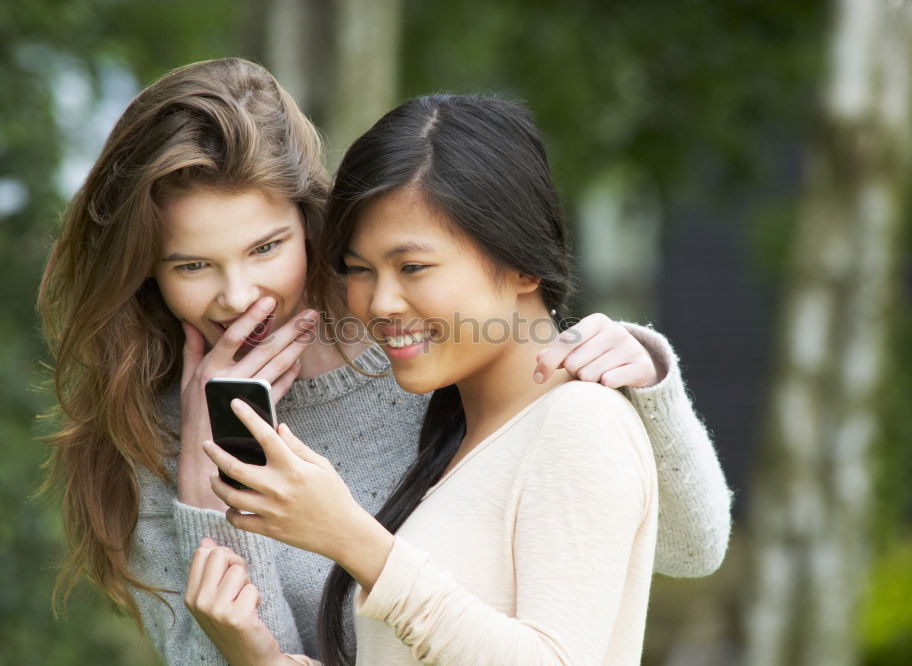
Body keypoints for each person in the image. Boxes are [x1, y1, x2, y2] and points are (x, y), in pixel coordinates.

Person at [37, 59, 731, 666]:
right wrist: (205, 499)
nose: (238, 296)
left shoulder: (421, 345)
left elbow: (679, 547)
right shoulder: (155, 431)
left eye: (267, 247)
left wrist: (644, 379)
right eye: (192, 265)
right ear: (146, 274)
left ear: (310, 223)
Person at [195, 94, 665, 665]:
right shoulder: (459, 441)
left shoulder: (579, 422)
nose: (381, 301)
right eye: (359, 270)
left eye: (412, 267)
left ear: (522, 263)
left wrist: (351, 538)